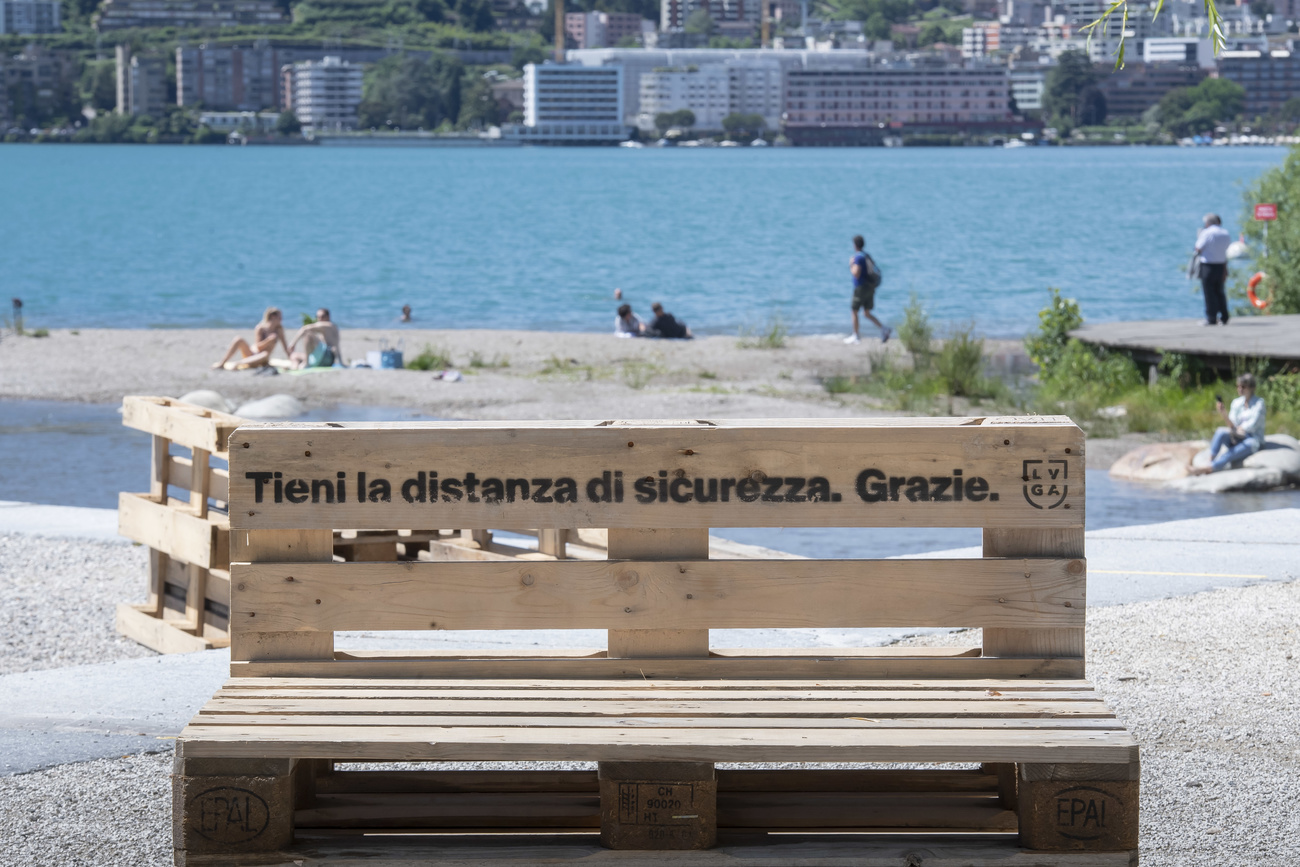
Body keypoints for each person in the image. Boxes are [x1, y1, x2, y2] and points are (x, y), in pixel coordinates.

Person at [1189, 373, 1266, 475]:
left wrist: (1236, 429)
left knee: (1238, 449)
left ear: (1252, 388)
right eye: (1238, 386)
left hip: (1252, 439)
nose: (1240, 389)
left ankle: (1211, 467)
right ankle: (1210, 460)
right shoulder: (1236, 402)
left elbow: (1252, 426)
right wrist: (1224, 413)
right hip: (1237, 436)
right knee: (1220, 431)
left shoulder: (1259, 403)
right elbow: (1232, 424)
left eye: (1243, 386)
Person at [844, 235, 890, 345]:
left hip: (861, 288)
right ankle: (884, 329)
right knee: (867, 313)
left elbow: (856, 273)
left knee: (854, 311)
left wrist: (851, 264)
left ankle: (855, 335)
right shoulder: (866, 255)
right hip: (870, 287)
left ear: (855, 245)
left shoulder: (858, 258)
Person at [211, 307, 289, 369]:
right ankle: (222, 363)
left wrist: (291, 359)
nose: (281, 319)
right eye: (280, 317)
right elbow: (258, 346)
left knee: (265, 354)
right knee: (238, 339)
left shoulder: (279, 330)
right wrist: (269, 340)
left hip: (263, 359)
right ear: (273, 316)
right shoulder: (261, 328)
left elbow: (285, 347)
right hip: (252, 353)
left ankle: (238, 363)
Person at [1195, 214, 1232, 326]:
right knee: (1220, 292)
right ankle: (1224, 316)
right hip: (1221, 265)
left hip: (1208, 265)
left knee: (1209, 293)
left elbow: (1198, 248)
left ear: (1207, 223)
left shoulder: (1206, 233)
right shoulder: (1225, 233)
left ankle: (1211, 317)